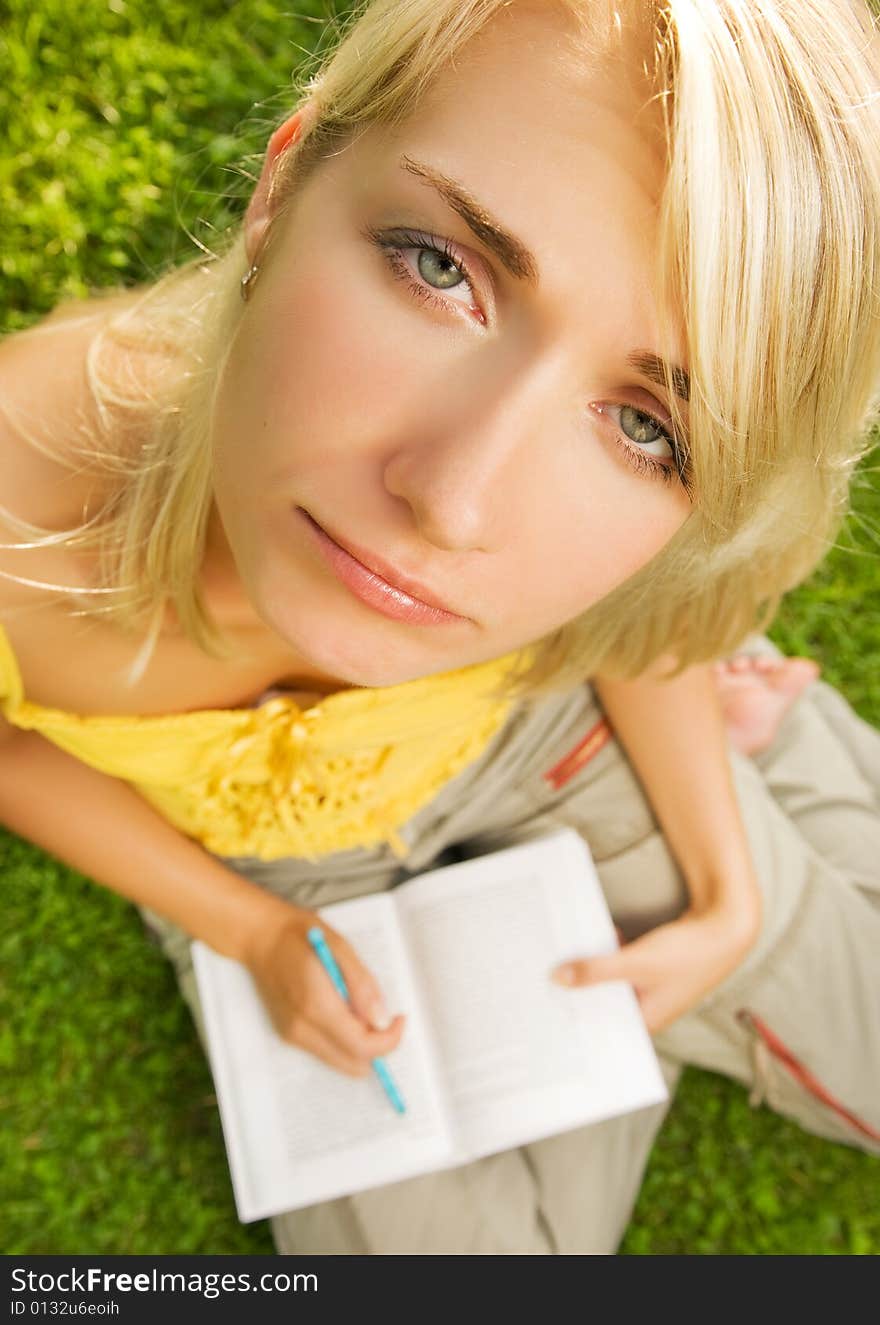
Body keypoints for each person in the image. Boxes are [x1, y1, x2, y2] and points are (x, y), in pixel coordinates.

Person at [1, 0, 879, 1255]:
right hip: (285, 876)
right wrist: (251, 930)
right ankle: (757, 752)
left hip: (555, 733)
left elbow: (641, 622)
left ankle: (740, 757)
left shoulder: (611, 571)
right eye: (440, 265)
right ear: (284, 180)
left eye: (647, 427)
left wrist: (726, 891)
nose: (452, 504)